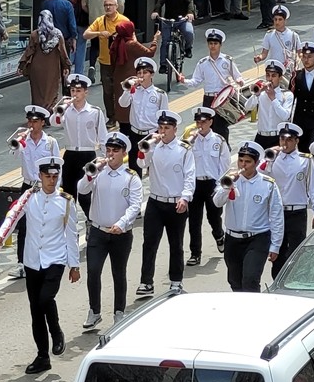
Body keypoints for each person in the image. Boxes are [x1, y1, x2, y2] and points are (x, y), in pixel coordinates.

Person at [0, 156, 79, 374]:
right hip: (32, 260)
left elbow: (72, 234)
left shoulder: (66, 201)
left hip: (55, 259)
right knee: (36, 310)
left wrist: (74, 265)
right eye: (47, 176)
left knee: (46, 298)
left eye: (55, 176)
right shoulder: (30, 196)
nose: (51, 180)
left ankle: (56, 332)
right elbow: (13, 216)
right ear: (39, 176)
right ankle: (42, 356)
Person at [79, 132, 141, 330]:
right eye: (108, 150)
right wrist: (91, 173)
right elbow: (81, 189)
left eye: (115, 150)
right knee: (93, 271)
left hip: (120, 234)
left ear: (123, 153)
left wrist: (121, 224)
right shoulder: (97, 174)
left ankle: (119, 312)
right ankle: (94, 311)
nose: (111, 154)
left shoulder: (131, 178)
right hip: (98, 231)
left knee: (118, 272)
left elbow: (135, 205)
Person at [137, 110, 194, 299]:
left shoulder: (184, 150)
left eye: (167, 128)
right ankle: (146, 282)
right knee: (149, 243)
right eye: (161, 127)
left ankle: (176, 280)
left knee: (175, 244)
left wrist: (185, 198)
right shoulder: (153, 147)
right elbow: (141, 163)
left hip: (175, 202)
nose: (163, 131)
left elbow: (189, 175)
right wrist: (146, 148)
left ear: (175, 129)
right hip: (155, 200)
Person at [213, 141, 284, 292]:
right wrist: (228, 187)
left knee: (250, 280)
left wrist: (275, 245)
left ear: (256, 163)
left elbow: (277, 215)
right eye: (241, 160)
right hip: (232, 239)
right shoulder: (228, 179)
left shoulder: (268, 184)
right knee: (235, 281)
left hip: (257, 238)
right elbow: (217, 202)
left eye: (248, 162)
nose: (243, 165)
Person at [10, 105, 62, 280]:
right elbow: (13, 154)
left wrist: (56, 189)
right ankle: (20, 263)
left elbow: (57, 167)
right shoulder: (23, 141)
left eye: (35, 121)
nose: (32, 124)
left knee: (45, 223)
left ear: (42, 122)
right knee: (23, 225)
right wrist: (19, 142)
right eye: (30, 121)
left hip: (45, 186)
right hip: (28, 186)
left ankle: (46, 257)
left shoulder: (50, 142)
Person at [264, 123, 314, 279]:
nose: (284, 143)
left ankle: (295, 280)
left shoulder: (306, 160)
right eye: (282, 138)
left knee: (296, 250)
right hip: (278, 212)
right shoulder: (272, 158)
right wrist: (268, 158)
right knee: (278, 252)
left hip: (297, 211)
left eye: (289, 139)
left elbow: (313, 186)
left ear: (296, 141)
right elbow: (260, 174)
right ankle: (277, 281)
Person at [52, 73, 107, 216]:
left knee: (86, 194)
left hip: (87, 154)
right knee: (68, 194)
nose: (75, 94)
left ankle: (92, 222)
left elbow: (103, 137)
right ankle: (70, 226)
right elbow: (53, 122)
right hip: (70, 154)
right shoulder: (66, 111)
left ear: (85, 92)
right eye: (72, 91)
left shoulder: (95, 112)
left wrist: (105, 158)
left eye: (78, 91)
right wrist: (60, 106)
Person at [178, 29, 244, 143]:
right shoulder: (202, 63)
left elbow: (237, 76)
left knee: (222, 128)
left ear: (220, 44)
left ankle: (224, 149)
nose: (213, 46)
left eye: (215, 43)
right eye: (211, 43)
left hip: (222, 100)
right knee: (206, 127)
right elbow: (195, 81)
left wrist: (239, 80)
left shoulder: (227, 60)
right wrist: (184, 81)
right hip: (208, 99)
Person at [187, 108, 230, 268]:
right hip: (195, 183)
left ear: (211, 122)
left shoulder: (219, 141)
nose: (200, 125)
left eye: (204, 122)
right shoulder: (190, 140)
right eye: (198, 122)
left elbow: (224, 165)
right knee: (194, 220)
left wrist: (221, 186)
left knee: (214, 217)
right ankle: (195, 253)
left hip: (212, 183)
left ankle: (219, 235)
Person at [83, 0, 132, 127]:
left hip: (121, 62)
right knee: (107, 91)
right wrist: (99, 33)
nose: (108, 7)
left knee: (121, 90)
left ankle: (122, 116)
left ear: (116, 6)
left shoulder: (124, 20)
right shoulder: (100, 21)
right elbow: (85, 34)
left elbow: (133, 40)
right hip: (105, 61)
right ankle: (111, 117)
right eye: (106, 5)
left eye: (111, 5)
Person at [118, 57, 169, 176]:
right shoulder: (134, 90)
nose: (141, 75)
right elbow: (122, 103)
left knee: (154, 170)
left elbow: (164, 118)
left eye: (145, 72)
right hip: (134, 134)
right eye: (139, 73)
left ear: (151, 75)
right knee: (134, 171)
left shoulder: (160, 94)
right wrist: (127, 89)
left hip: (151, 135)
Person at [21, 11, 71, 111]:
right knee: (51, 92)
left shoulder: (35, 34)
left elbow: (29, 51)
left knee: (37, 92)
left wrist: (21, 65)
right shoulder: (58, 35)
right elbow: (63, 52)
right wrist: (66, 66)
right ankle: (49, 113)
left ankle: (38, 114)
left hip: (37, 69)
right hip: (52, 69)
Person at [245, 59, 294, 151]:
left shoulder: (287, 95)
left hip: (278, 137)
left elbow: (285, 116)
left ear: (280, 78)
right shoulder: (261, 94)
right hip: (261, 137)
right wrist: (256, 94)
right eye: (268, 75)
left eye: (274, 76)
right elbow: (247, 107)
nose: (270, 79)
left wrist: (273, 98)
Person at [151, 0, 196, 73]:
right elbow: (159, 3)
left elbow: (190, 4)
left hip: (182, 20)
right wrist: (156, 12)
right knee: (165, 41)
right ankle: (163, 64)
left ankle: (188, 48)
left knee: (189, 32)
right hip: (168, 20)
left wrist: (190, 13)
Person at [41, 0, 78, 67]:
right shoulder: (68, 5)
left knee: (51, 65)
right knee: (64, 63)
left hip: (48, 38)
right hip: (64, 39)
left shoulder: (45, 4)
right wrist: (74, 38)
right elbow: (72, 24)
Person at [68, 0, 91, 75]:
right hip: (81, 23)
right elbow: (83, 6)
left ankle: (67, 69)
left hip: (70, 22)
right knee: (81, 48)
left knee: (71, 47)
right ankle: (79, 73)